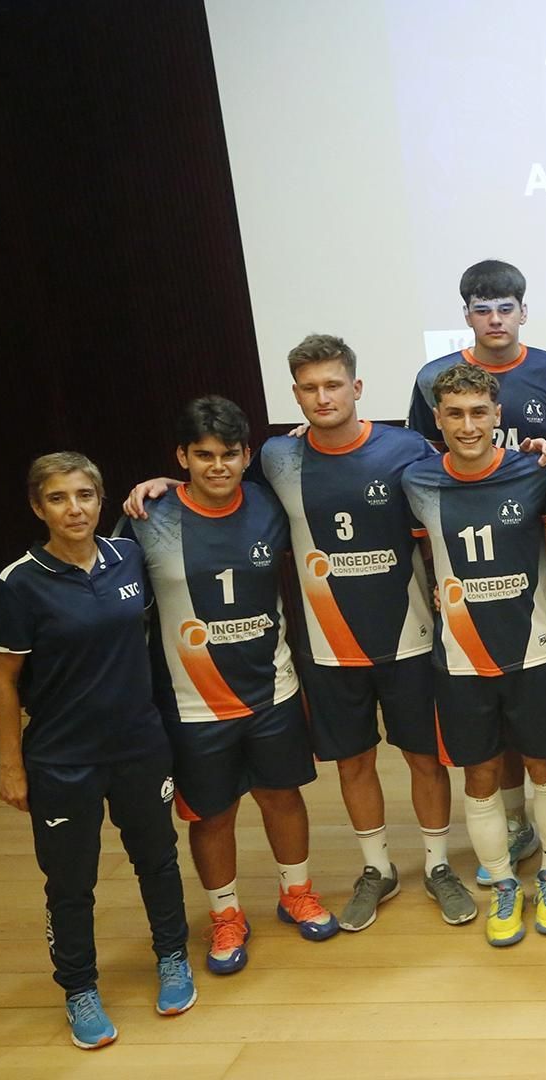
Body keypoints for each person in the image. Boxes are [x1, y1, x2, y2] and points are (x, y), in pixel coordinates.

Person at [124, 336, 478, 931]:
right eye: (310, 388)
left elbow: (466, 487)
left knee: (423, 757)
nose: (323, 397)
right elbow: (213, 479)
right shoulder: (274, 458)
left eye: (333, 384)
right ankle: (377, 869)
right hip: (326, 648)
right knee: (355, 762)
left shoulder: (408, 447)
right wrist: (158, 484)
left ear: (357, 388)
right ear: (295, 395)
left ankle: (439, 865)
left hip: (410, 639)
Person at [0, 453, 195, 1049]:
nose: (73, 508)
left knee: (156, 858)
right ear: (38, 507)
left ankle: (172, 956)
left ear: (101, 500)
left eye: (84, 495)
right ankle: (79, 987)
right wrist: (10, 766)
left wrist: (167, 480)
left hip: (139, 746)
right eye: (58, 498)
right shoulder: (18, 583)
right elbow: (2, 682)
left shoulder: (127, 557)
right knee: (70, 882)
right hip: (62, 759)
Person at [131, 397, 337, 977]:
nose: (217, 466)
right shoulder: (150, 517)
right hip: (193, 704)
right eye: (203, 455)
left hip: (272, 689)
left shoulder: (272, 506)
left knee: (281, 796)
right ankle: (225, 915)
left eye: (229, 454)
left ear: (248, 455)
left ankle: (296, 892)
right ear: (182, 457)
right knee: (212, 816)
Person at [409, 259, 546, 885]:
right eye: (483, 308)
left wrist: (545, 455)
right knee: (484, 750)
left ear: (523, 311)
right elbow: (416, 463)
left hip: (537, 589)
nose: (496, 318)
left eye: (506, 307)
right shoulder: (431, 394)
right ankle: (510, 827)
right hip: (462, 614)